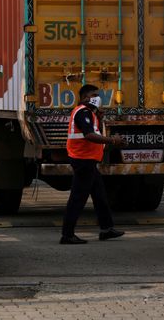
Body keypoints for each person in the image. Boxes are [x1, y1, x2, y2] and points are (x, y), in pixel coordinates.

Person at [60, 84, 125, 245]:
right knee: (77, 198)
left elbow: (94, 131)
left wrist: (100, 118)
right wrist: (112, 140)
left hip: (88, 160)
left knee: (100, 195)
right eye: (94, 95)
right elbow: (89, 135)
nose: (97, 97)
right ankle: (67, 235)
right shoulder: (83, 112)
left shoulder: (90, 113)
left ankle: (107, 229)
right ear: (84, 98)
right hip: (83, 160)